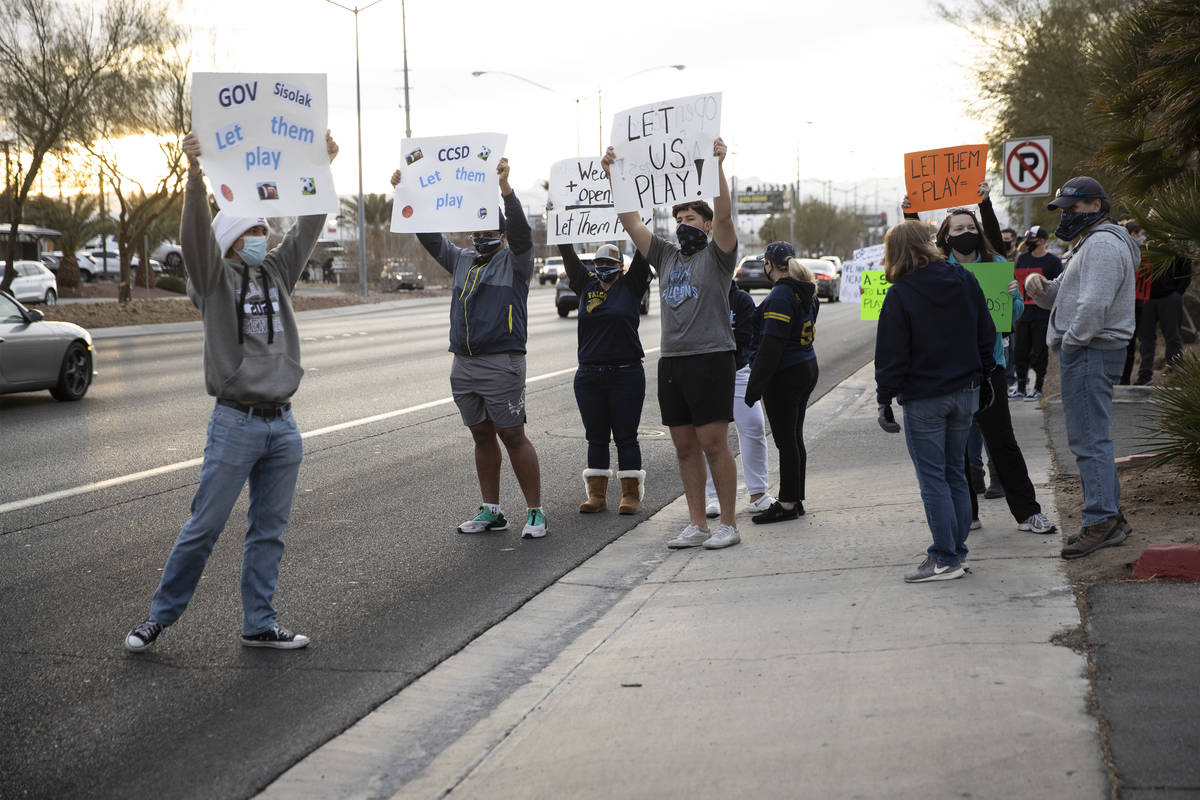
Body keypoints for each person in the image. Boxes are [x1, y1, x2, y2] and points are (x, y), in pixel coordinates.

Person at [124, 129, 340, 652]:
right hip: (235, 423)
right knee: (204, 528)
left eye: (266, 227)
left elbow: (309, 224)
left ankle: (259, 624)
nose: (265, 235)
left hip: (283, 425)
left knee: (269, 532)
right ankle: (158, 618)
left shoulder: (278, 272)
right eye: (255, 229)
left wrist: (323, 164)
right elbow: (196, 235)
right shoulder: (214, 280)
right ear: (232, 239)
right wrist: (194, 175)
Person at [390, 158, 546, 539]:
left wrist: (506, 191)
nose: (480, 234)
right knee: (481, 435)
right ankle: (492, 511)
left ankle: (536, 512)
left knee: (512, 435)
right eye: (475, 227)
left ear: (502, 233)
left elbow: (524, 235)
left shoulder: (516, 261)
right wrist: (405, 192)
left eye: (488, 227)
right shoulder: (460, 260)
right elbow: (429, 238)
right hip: (464, 364)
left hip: (502, 364)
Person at [601, 138, 742, 550]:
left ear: (706, 222)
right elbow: (630, 221)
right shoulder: (665, 256)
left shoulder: (718, 255)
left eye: (692, 216)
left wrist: (717, 165)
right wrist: (613, 174)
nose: (683, 221)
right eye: (678, 215)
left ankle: (728, 524)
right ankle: (697, 523)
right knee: (684, 448)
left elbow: (727, 216)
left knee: (713, 444)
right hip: (674, 362)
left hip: (712, 358)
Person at [875, 220, 996, 583]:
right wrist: (985, 373)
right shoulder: (963, 279)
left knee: (933, 479)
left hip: (925, 397)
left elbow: (891, 354)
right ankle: (956, 552)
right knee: (954, 473)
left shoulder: (900, 294)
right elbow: (985, 331)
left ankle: (944, 557)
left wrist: (884, 399)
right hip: (966, 391)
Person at [1025, 176, 1139, 559]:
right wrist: (1040, 287)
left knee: (1089, 441)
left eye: (1072, 209)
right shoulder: (1090, 243)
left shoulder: (1103, 244)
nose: (1067, 216)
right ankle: (1109, 517)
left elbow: (1093, 307)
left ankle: (1101, 521)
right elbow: (1065, 294)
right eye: (1063, 210)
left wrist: (1070, 343)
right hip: (1090, 349)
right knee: (1092, 439)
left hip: (1090, 351)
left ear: (1095, 206)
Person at [933, 206, 1057, 537]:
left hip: (990, 367)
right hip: (951, 371)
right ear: (946, 236)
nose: (963, 233)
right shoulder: (939, 270)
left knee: (1002, 441)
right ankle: (966, 515)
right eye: (956, 229)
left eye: (968, 227)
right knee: (955, 446)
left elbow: (1011, 316)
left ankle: (1028, 513)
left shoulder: (998, 266)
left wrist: (1014, 298)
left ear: (978, 231)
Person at [557, 240, 651, 514]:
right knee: (595, 437)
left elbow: (644, 251)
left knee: (626, 437)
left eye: (610, 265)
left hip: (627, 374)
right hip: (589, 375)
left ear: (621, 267)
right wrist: (558, 219)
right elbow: (567, 252)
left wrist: (640, 218)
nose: (603, 269)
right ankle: (597, 495)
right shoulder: (586, 285)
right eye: (599, 264)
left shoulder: (632, 285)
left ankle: (630, 495)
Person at [744, 242, 820, 523]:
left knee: (786, 441)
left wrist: (754, 388)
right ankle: (795, 498)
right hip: (805, 366)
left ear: (770, 265)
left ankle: (787, 503)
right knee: (794, 438)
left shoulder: (781, 296)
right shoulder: (805, 290)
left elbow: (771, 346)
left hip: (786, 374)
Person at [703, 277, 775, 520]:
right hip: (707, 374)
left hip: (738, 371)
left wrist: (716, 338)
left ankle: (758, 494)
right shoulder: (699, 294)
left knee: (753, 426)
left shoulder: (741, 299)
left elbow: (745, 336)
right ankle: (714, 496)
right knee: (709, 436)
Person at [1011, 225, 1062, 400]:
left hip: (1042, 314)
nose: (1028, 243)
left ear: (1041, 241)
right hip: (1023, 314)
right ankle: (1020, 387)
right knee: (1020, 351)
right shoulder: (1022, 259)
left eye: (1031, 240)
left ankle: (1038, 387)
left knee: (1039, 351)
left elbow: (1058, 288)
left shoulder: (1053, 262)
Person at [1134, 241, 1192, 385]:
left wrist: (1177, 293)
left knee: (1173, 337)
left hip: (1169, 297)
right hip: (1146, 298)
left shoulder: (1176, 247)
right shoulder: (1143, 247)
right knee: (1145, 339)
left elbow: (1186, 270)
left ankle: (1175, 375)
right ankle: (1144, 376)